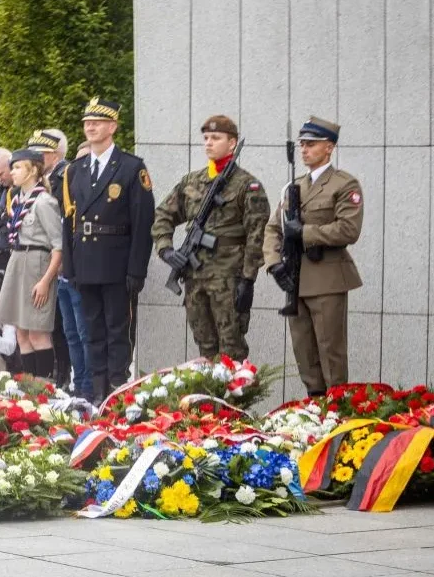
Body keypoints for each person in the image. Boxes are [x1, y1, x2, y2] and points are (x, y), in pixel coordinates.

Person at [60, 98, 155, 402]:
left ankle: (117, 390)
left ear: (113, 126)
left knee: (118, 331)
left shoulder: (131, 167)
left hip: (117, 264)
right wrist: (70, 268)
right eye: (87, 121)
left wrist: (136, 269)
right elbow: (69, 222)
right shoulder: (75, 170)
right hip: (86, 262)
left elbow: (143, 223)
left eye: (98, 121)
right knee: (92, 332)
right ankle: (97, 393)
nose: (90, 126)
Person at [153, 115, 269, 362]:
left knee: (232, 350)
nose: (208, 143)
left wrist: (247, 280)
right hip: (195, 278)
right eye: (206, 138)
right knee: (205, 350)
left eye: (216, 138)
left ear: (232, 143)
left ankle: (232, 400)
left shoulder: (248, 186)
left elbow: (256, 237)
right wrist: (166, 249)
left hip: (228, 279)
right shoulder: (192, 181)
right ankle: (207, 401)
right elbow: (163, 214)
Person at [261, 116, 361, 396]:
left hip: (327, 279)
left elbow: (348, 229)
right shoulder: (294, 187)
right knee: (304, 353)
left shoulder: (343, 184)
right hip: (295, 280)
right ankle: (316, 409)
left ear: (329, 147)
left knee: (331, 355)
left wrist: (304, 233)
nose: (304, 149)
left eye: (311, 144)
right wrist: (273, 264)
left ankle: (338, 411)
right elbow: (273, 228)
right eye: (302, 144)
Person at [28, 127, 89, 396]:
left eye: (39, 153)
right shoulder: (48, 178)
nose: (34, 158)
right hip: (56, 263)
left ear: (53, 154)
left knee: (77, 329)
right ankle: (69, 379)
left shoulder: (64, 174)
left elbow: (67, 221)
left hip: (67, 261)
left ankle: (79, 382)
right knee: (65, 329)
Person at [0, 149, 65, 378]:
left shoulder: (44, 202)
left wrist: (46, 280)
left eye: (18, 167)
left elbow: (58, 245)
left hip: (37, 265)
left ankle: (43, 384)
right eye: (13, 167)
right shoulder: (18, 200)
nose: (12, 172)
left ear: (33, 170)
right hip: (18, 262)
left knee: (38, 332)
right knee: (21, 333)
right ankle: (29, 385)